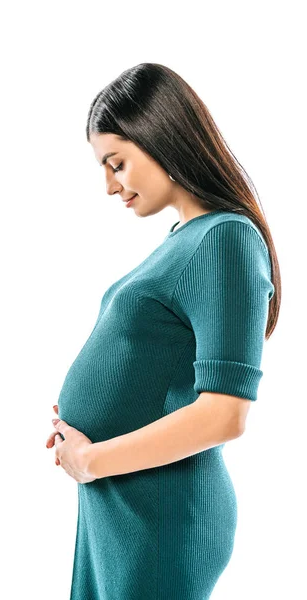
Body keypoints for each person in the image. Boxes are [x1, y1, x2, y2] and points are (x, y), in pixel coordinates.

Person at [45, 63, 281, 600]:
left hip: (159, 515)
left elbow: (225, 414)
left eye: (117, 163)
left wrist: (90, 459)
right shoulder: (185, 238)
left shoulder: (226, 238)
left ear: (162, 138)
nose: (109, 186)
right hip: (119, 503)